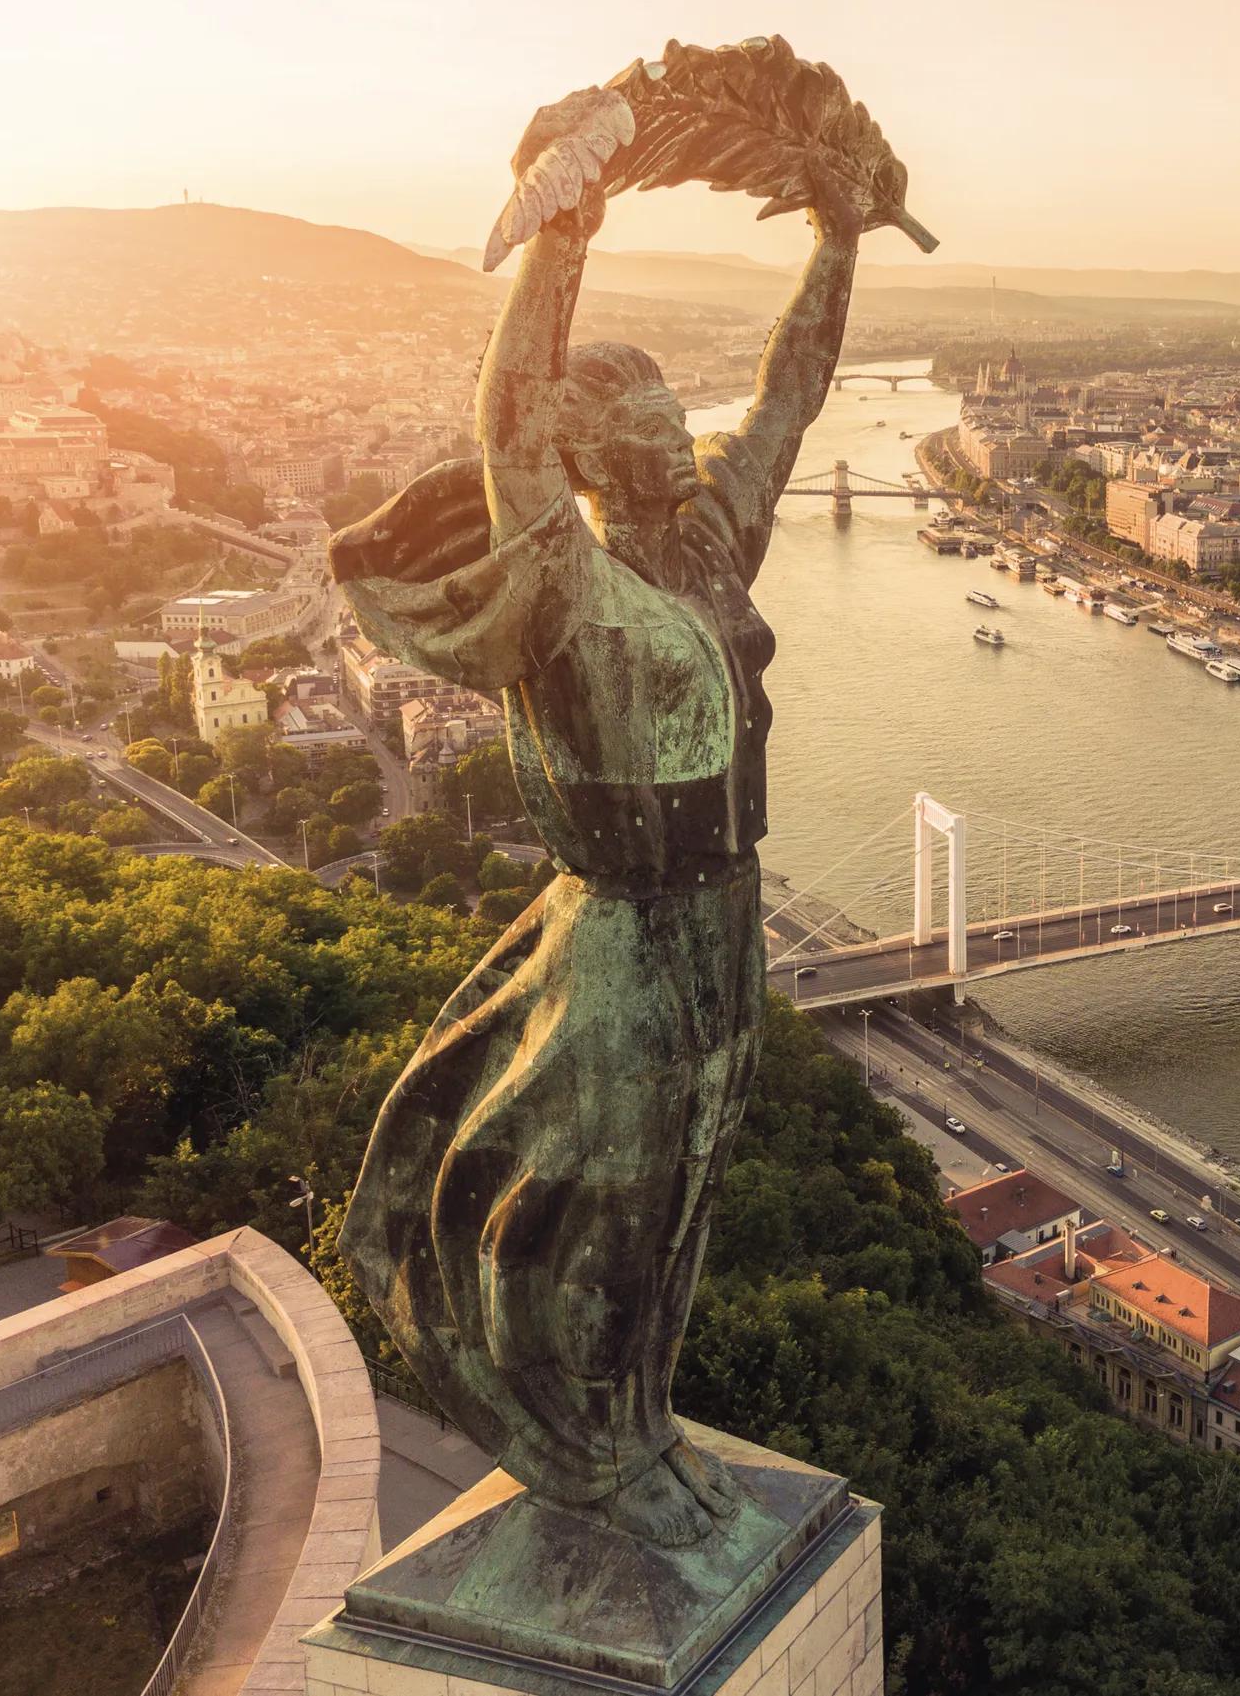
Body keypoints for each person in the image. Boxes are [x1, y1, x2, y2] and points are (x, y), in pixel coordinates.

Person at [329, 89, 860, 1546]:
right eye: (640, 432)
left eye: (673, 422)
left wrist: (839, 232)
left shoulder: (705, 546)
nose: (679, 445)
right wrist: (567, 229)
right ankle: (594, 1450)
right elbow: (506, 417)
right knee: (616, 1204)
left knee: (686, 1187)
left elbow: (794, 391)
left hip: (723, 911)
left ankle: (641, 1426)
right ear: (587, 457)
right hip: (623, 931)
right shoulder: (560, 587)